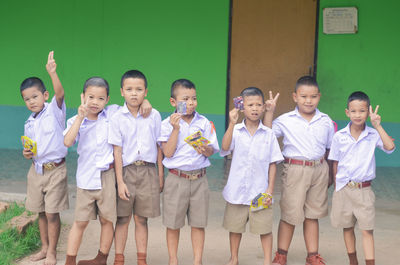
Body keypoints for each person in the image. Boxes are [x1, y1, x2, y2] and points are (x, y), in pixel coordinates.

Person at [263, 76, 335, 265]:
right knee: (290, 214)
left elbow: (330, 149)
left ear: (319, 97)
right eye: (303, 96)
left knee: (313, 215)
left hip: (319, 169)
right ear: (295, 97)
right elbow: (267, 135)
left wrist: (329, 173)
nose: (308, 101)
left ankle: (313, 256)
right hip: (295, 169)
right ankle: (281, 255)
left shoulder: (325, 121)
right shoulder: (285, 120)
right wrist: (269, 112)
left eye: (313, 96)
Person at [328, 91, 395, 265]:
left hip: (364, 190)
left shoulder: (373, 134)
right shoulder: (339, 137)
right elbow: (335, 163)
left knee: (367, 230)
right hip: (344, 189)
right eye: (354, 111)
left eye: (362, 111)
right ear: (347, 112)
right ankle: (353, 261)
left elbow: (390, 147)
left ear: (368, 112)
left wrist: (378, 126)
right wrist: (337, 186)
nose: (358, 115)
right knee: (347, 227)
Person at [157, 79, 219, 265]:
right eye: (186, 99)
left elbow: (211, 151)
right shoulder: (166, 124)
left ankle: (197, 261)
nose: (191, 103)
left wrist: (205, 149)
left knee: (198, 224)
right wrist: (176, 129)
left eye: (194, 98)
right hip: (177, 178)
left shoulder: (204, 123)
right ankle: (173, 260)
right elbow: (167, 152)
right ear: (173, 102)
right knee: (173, 224)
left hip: (199, 178)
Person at [220, 87, 283, 265]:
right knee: (235, 227)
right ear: (243, 108)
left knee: (264, 228)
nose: (254, 108)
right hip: (237, 190)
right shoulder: (237, 130)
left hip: (259, 191)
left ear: (264, 108)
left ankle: (266, 260)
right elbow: (225, 148)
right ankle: (234, 258)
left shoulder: (269, 134)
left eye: (258, 105)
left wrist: (269, 190)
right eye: (250, 105)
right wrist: (231, 124)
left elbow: (273, 163)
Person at [109, 70, 163, 265]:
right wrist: (120, 181)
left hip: (148, 171)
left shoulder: (154, 115)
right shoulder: (116, 117)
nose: (134, 93)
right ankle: (119, 258)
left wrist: (160, 177)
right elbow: (117, 151)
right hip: (126, 171)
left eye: (139, 89)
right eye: (129, 89)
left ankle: (142, 259)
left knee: (142, 219)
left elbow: (159, 147)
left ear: (146, 92)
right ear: (122, 91)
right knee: (123, 218)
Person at [21, 51, 68, 265]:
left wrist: (52, 72)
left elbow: (61, 93)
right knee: (40, 212)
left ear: (45, 95)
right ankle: (44, 248)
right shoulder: (29, 122)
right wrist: (26, 153)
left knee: (51, 213)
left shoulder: (54, 111)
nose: (31, 102)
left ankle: (52, 254)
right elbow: (30, 148)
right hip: (36, 170)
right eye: (27, 99)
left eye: (35, 96)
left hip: (55, 170)